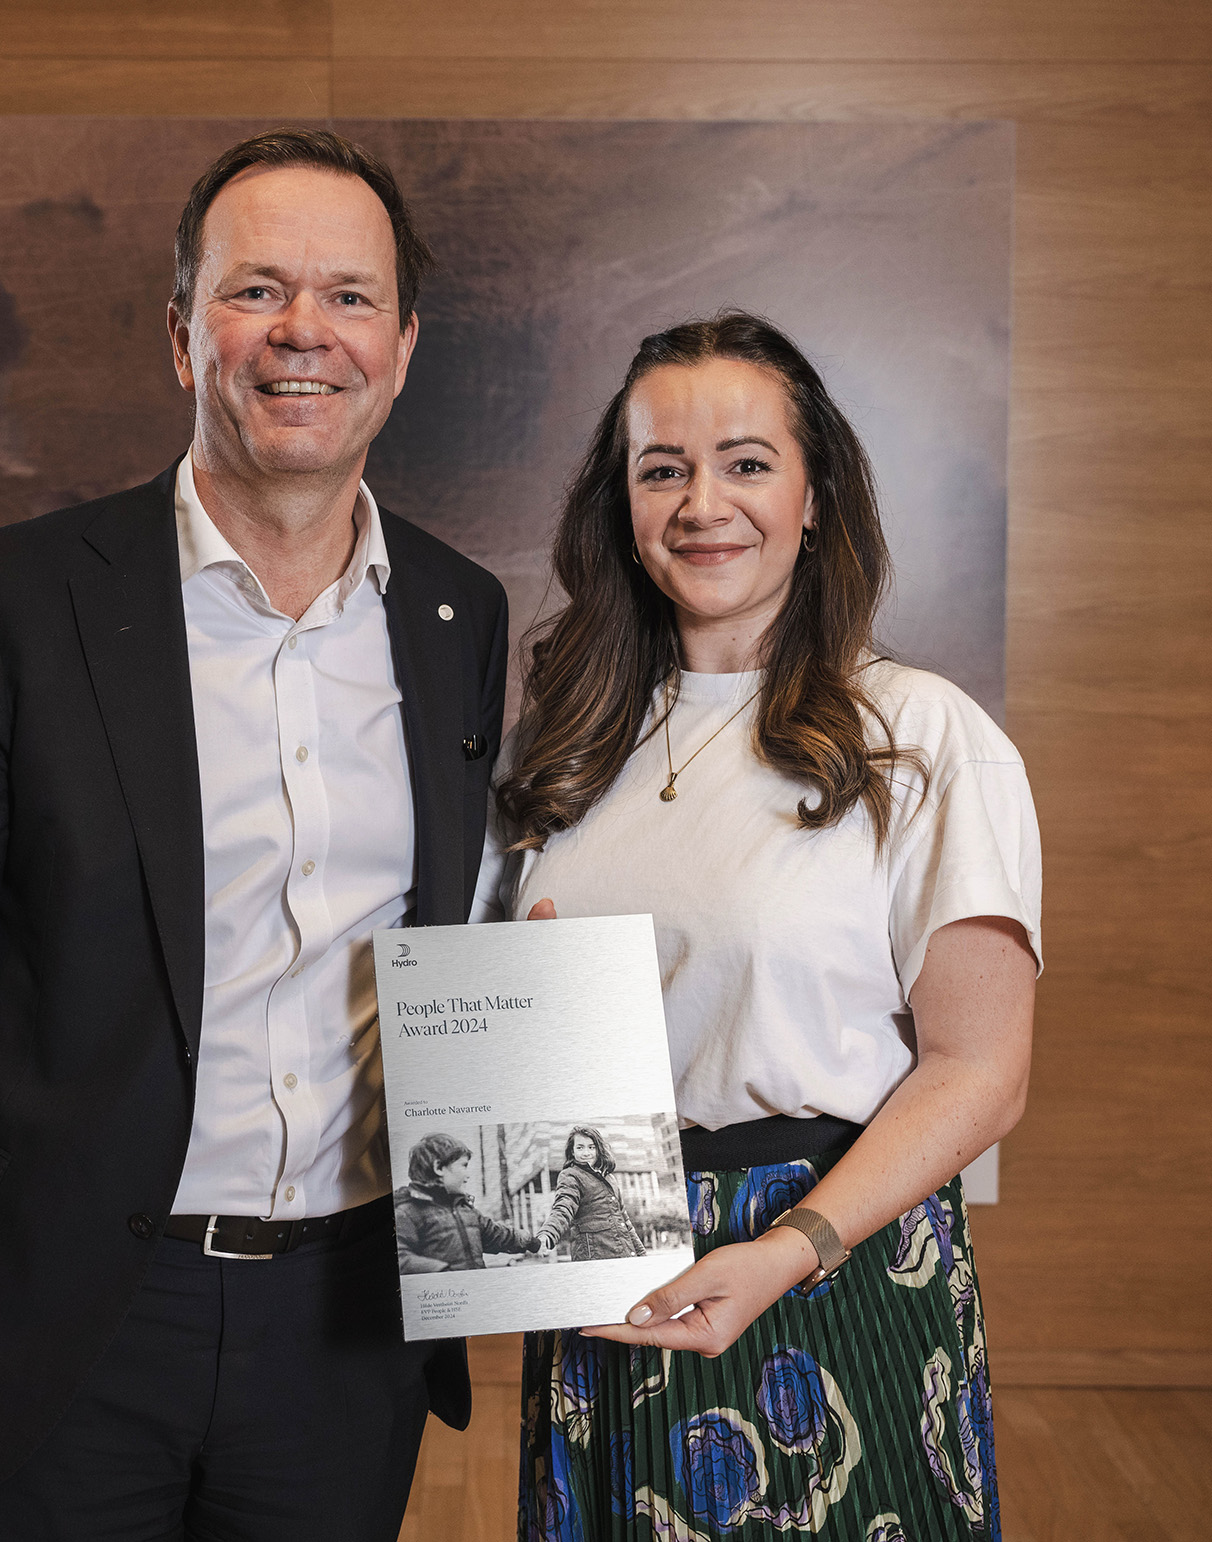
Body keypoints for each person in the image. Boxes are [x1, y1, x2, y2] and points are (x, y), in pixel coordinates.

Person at [0, 127, 509, 1542]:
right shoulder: (13, 601)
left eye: (350, 296)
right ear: (183, 335)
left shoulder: (460, 614)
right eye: (256, 290)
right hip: (66, 1322)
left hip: (347, 1332)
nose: (304, 331)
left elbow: (458, 943)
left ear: (403, 349)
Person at [477, 312, 1040, 1540]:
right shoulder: (556, 747)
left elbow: (983, 1072)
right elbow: (512, 1065)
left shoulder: (920, 734)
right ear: (621, 505)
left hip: (833, 1260)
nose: (702, 505)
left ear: (815, 496)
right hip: (604, 1270)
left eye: (746, 463)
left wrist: (790, 1248)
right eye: (662, 470)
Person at [394, 1132, 540, 1273]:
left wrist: (529, 1241)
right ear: (438, 1168)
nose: (468, 1175)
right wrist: (441, 1272)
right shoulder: (407, 1212)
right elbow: (400, 1258)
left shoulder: (466, 1210)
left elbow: (497, 1235)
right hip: (445, 1289)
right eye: (464, 1165)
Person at [535, 1127, 645, 1261]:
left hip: (623, 1254)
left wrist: (641, 1254)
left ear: (598, 1149)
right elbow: (563, 1208)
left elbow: (625, 1221)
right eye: (580, 1148)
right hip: (593, 1257)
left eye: (591, 1147)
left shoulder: (610, 1178)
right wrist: (547, 1234)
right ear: (572, 1151)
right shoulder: (570, 1175)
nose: (586, 1153)